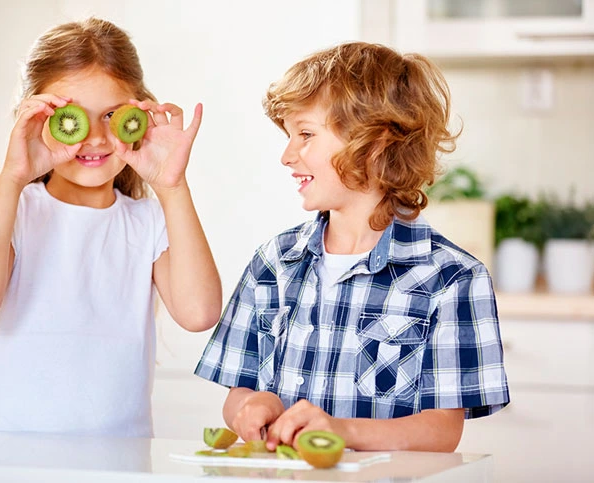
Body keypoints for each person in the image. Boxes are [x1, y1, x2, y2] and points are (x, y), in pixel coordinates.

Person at [194, 41, 509, 452]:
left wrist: (340, 431)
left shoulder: (450, 278)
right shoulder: (272, 264)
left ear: (374, 141)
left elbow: (441, 432)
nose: (287, 155)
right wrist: (253, 405)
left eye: (305, 134)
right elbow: (238, 393)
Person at [0, 17, 222, 436]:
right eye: (72, 116)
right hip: (8, 455)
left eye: (113, 115)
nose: (93, 138)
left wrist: (172, 187)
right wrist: (11, 179)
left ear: (140, 114)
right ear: (34, 117)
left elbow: (199, 313)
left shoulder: (148, 221)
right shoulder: (12, 209)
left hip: (120, 458)